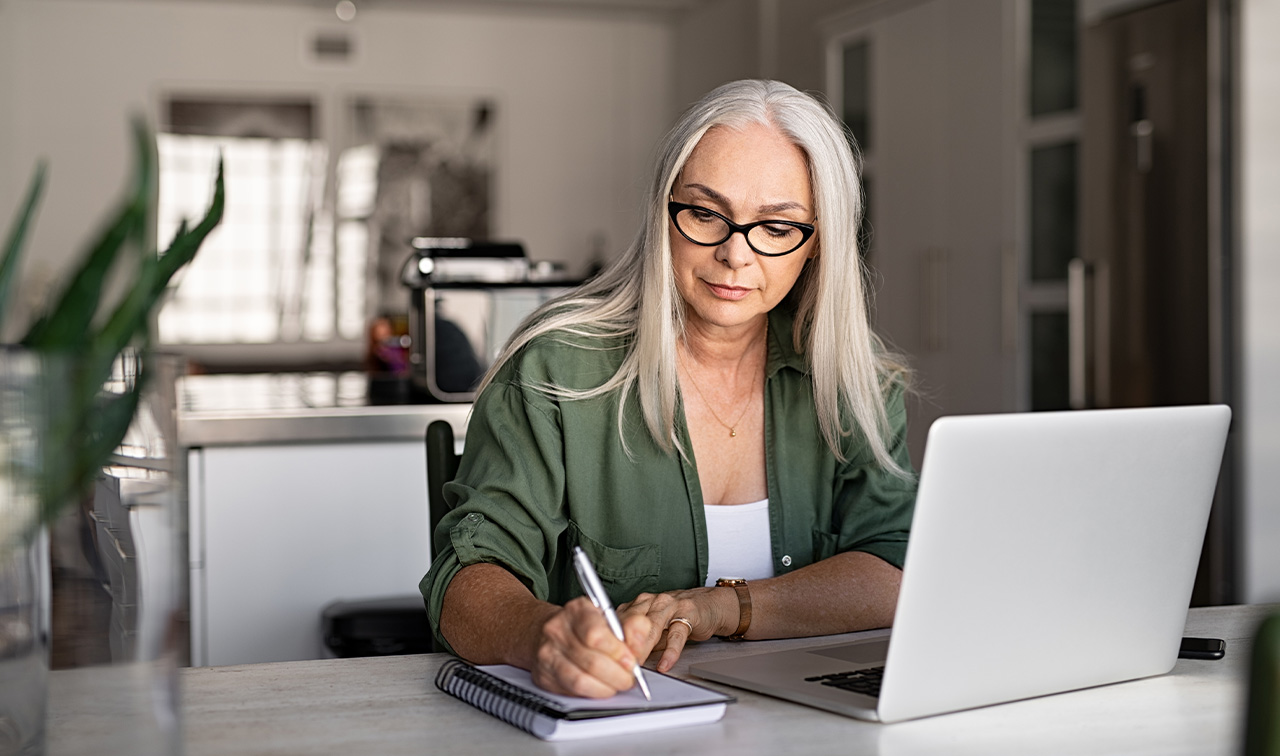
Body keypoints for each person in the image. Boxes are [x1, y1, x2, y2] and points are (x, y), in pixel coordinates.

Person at [419, 79, 917, 699]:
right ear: (663, 213)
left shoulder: (855, 379)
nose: (736, 254)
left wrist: (719, 608)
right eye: (706, 213)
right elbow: (466, 577)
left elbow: (895, 569)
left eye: (777, 226)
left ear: (817, 244)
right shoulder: (554, 368)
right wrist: (540, 635)